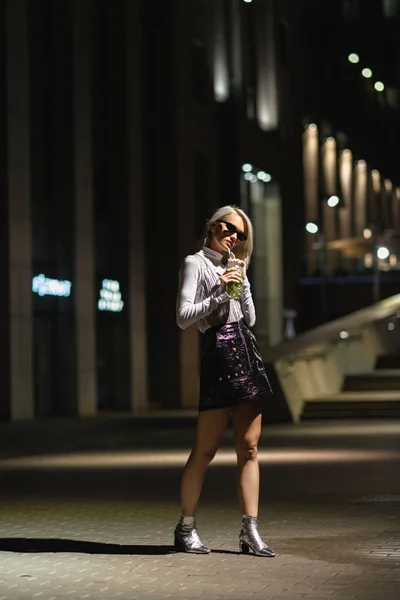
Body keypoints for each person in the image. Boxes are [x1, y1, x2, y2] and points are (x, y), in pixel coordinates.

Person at [174, 205, 275, 557]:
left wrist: (242, 281)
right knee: (205, 449)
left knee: (249, 447)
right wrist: (219, 290)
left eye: (242, 235)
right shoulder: (195, 263)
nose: (234, 237)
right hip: (217, 352)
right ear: (214, 226)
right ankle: (186, 527)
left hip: (245, 351)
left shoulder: (235, 266)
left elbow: (249, 319)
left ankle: (250, 529)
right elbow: (183, 318)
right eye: (230, 229)